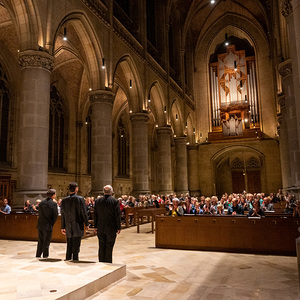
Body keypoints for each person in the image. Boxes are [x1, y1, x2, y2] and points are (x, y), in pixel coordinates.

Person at [61, 182, 89, 261]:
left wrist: (63, 226)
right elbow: (84, 212)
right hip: (77, 224)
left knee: (69, 244)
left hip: (68, 225)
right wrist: (86, 223)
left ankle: (68, 259)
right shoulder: (80, 199)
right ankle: (75, 260)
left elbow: (63, 214)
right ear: (76, 189)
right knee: (76, 245)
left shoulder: (64, 200)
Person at [94, 185, 121, 263]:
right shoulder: (115, 201)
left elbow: (95, 215)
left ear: (103, 192)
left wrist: (95, 226)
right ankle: (108, 263)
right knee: (109, 246)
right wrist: (118, 227)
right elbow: (117, 215)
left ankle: (101, 262)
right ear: (111, 192)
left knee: (101, 245)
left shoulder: (97, 201)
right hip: (111, 227)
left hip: (100, 227)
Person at [36, 189, 58, 258]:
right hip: (48, 224)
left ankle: (38, 254)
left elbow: (39, 213)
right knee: (47, 241)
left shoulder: (41, 203)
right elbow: (55, 215)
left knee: (40, 240)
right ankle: (45, 255)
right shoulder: (54, 204)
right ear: (53, 195)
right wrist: (52, 223)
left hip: (40, 223)